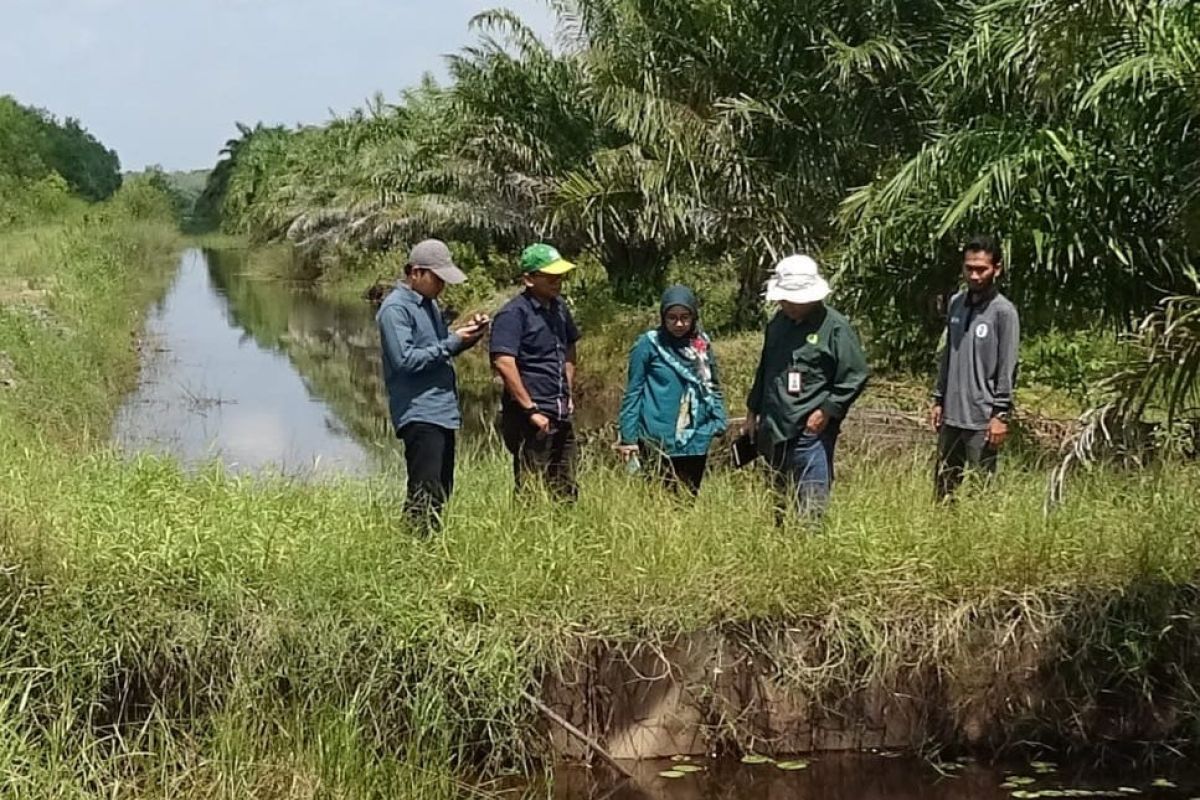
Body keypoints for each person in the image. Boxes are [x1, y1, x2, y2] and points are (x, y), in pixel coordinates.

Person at [744, 255, 869, 519]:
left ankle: (809, 552)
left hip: (810, 432)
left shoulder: (834, 327)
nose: (784, 304)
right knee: (779, 506)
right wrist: (752, 411)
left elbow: (855, 375)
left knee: (811, 508)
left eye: (790, 300)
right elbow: (766, 368)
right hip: (774, 428)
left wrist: (826, 410)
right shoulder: (777, 324)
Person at [377, 239, 488, 532]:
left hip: (441, 411)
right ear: (415, 273)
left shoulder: (430, 306)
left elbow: (437, 350)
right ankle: (413, 550)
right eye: (437, 278)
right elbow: (406, 360)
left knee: (441, 488)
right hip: (419, 412)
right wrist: (453, 342)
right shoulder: (395, 309)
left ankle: (426, 548)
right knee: (424, 491)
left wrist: (470, 337)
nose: (442, 286)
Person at [931, 235, 1020, 500]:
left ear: (997, 269)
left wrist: (1000, 415)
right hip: (952, 415)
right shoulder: (957, 303)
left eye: (981, 268)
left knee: (981, 490)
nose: (975, 275)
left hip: (982, 419)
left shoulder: (1003, 312)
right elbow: (948, 355)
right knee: (945, 488)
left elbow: (1008, 367)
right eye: (969, 268)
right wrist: (938, 398)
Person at [489, 243, 581, 499]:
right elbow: (504, 362)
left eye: (560, 276)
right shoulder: (513, 314)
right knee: (529, 484)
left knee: (565, 482)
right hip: (529, 415)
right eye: (550, 276)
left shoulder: (559, 308)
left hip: (560, 409)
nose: (557, 282)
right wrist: (530, 409)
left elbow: (570, 347)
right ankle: (529, 534)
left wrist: (568, 393)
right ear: (529, 279)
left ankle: (566, 533)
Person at [616, 285, 727, 495]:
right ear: (663, 317)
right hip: (657, 438)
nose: (679, 324)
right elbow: (634, 391)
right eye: (672, 318)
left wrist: (719, 420)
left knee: (687, 499)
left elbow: (712, 384)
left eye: (685, 317)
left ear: (694, 316)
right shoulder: (649, 344)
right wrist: (628, 438)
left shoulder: (701, 344)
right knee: (659, 502)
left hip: (697, 436)